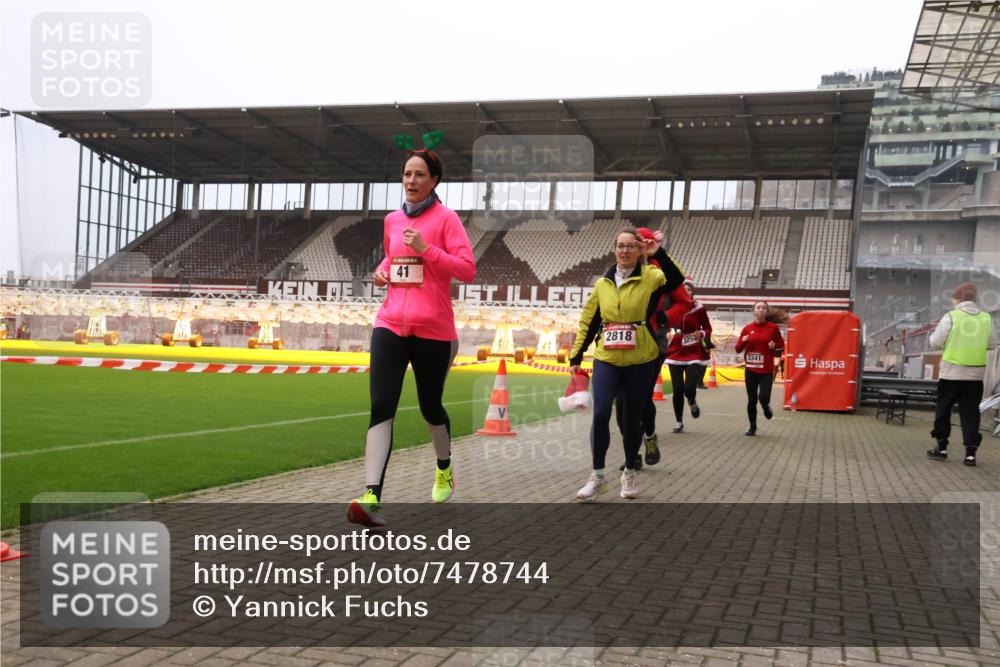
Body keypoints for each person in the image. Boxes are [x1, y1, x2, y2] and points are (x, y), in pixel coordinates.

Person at [348, 149, 475, 527]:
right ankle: (372, 495)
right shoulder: (391, 220)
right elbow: (392, 258)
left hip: (433, 329)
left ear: (434, 180)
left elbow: (467, 269)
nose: (411, 180)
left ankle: (444, 467)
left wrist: (428, 249)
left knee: (430, 406)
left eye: (420, 174)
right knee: (381, 404)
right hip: (389, 324)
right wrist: (381, 272)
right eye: (406, 174)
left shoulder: (447, 219)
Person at [570, 228, 677, 501]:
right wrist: (576, 355)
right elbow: (589, 320)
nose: (625, 251)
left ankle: (629, 472)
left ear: (640, 250)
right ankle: (597, 475)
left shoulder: (651, 276)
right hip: (607, 358)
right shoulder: (602, 284)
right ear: (613, 249)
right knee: (601, 413)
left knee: (631, 419)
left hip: (641, 359)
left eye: (631, 246)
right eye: (620, 245)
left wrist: (659, 253)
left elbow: (675, 280)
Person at [613, 227, 691, 470]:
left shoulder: (662, 269)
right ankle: (632, 453)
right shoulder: (620, 270)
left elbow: (684, 301)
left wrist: (664, 319)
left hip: (653, 340)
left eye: (637, 243)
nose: (630, 248)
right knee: (621, 403)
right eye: (627, 245)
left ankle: (649, 436)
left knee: (640, 398)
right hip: (621, 341)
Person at [926, 282, 995, 466]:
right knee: (971, 414)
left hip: (950, 375)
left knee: (943, 411)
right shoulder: (986, 318)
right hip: (975, 376)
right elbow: (992, 344)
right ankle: (970, 454)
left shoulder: (951, 317)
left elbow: (935, 342)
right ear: (975, 299)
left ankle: (941, 448)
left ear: (957, 299)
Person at [664, 278, 712, 434]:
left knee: (689, 388)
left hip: (693, 350)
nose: (685, 292)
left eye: (688, 290)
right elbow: (663, 323)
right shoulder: (672, 307)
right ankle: (679, 422)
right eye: (682, 289)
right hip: (676, 349)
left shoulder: (699, 309)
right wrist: (666, 334)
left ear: (692, 293)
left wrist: (702, 334)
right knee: (677, 389)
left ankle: (691, 400)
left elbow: (708, 328)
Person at [735, 301, 784, 436]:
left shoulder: (772, 328)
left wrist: (774, 345)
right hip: (750, 370)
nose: (761, 310)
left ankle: (766, 407)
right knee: (752, 400)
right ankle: (752, 426)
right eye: (758, 307)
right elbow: (738, 349)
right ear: (754, 310)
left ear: (766, 312)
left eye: (764, 308)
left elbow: (781, 345)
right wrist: (743, 340)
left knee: (763, 397)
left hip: (766, 370)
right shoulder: (747, 328)